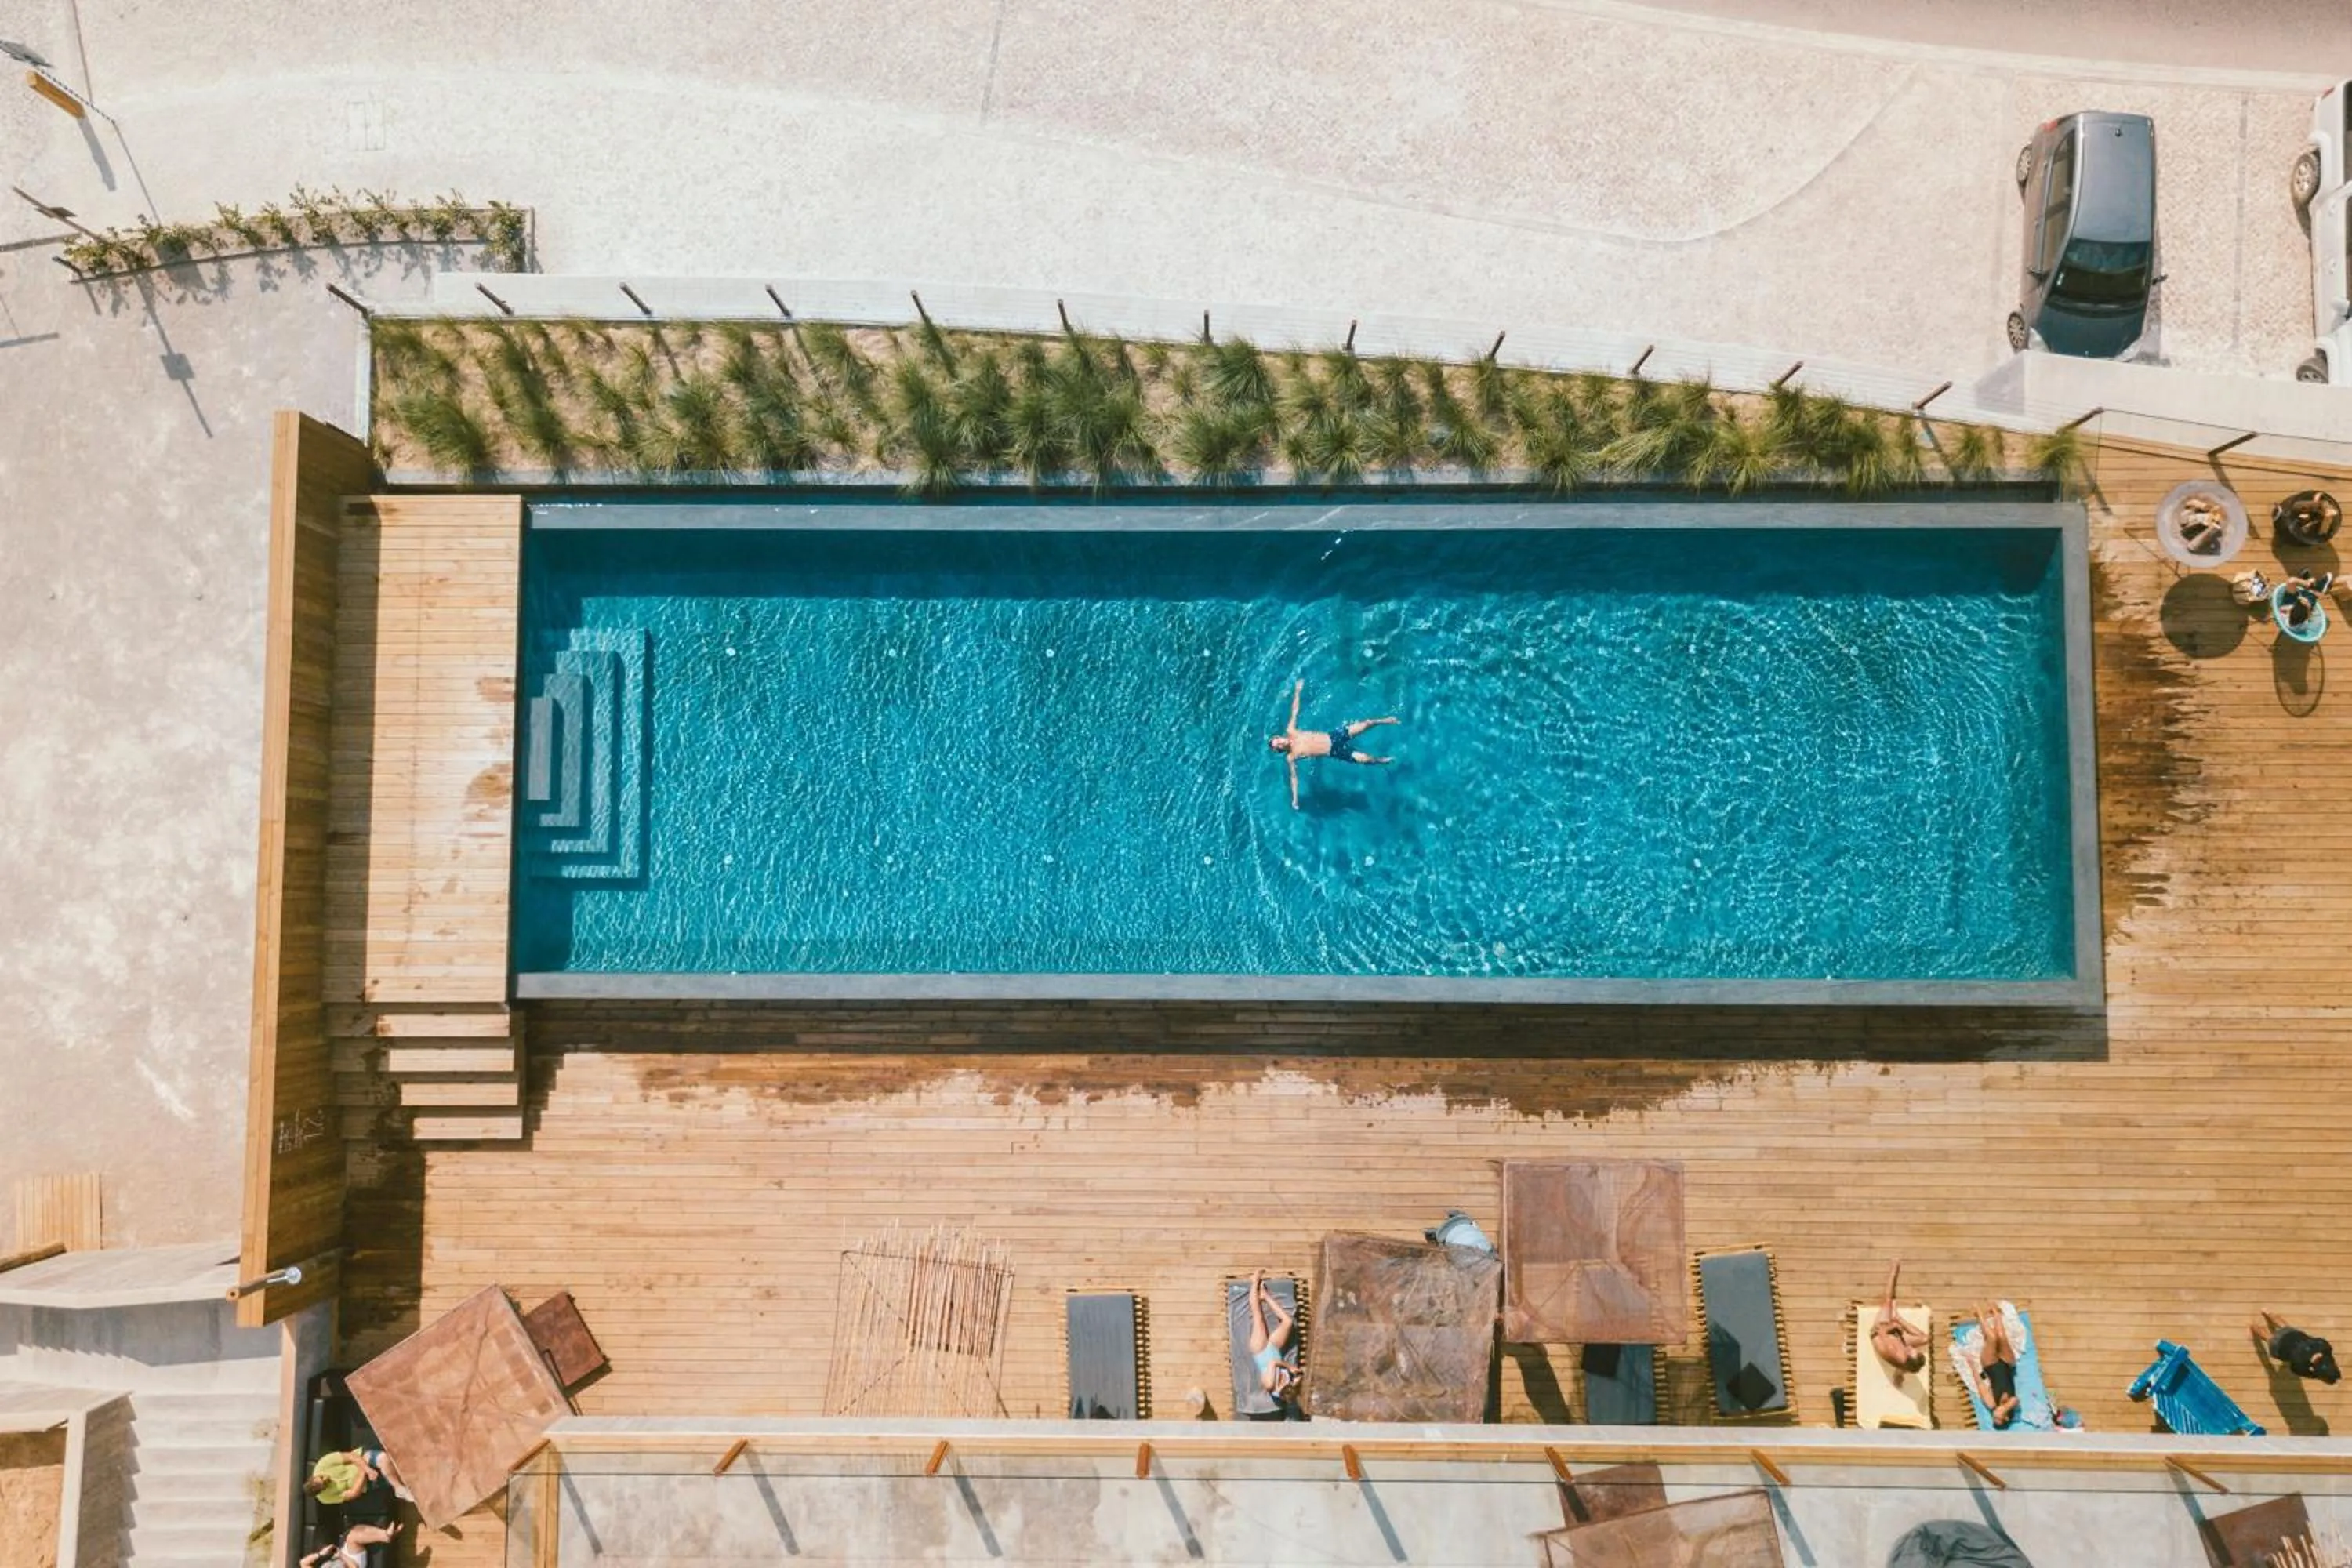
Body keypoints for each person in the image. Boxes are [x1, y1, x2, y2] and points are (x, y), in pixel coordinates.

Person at [1268, 681, 1399, 811]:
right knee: (1367, 759)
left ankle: (1385, 720)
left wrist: (1297, 691)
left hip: (1335, 736)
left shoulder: (1291, 731)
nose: (1281, 742)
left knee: (1368, 723)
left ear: (1280, 737)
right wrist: (1295, 799)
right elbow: (1294, 777)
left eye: (1278, 739)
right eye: (1278, 745)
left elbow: (1295, 711)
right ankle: (1380, 760)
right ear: (1279, 749)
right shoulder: (1291, 756)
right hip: (1335, 752)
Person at [1244, 1269, 1300, 1404]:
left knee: (1258, 1317)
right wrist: (1298, 1378)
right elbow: (1295, 1381)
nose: (1288, 1383)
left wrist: (1289, 1367)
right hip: (1274, 1349)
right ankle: (1265, 1296)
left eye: (1286, 1385)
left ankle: (1254, 1280)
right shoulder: (1290, 1388)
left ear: (1279, 1392)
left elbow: (1273, 1363)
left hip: (1261, 1350)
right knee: (1288, 1322)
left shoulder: (1269, 1385)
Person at [1965, 1301, 2023, 1428]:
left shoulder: (1991, 1404)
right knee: (2002, 1337)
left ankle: (1978, 1313)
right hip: (2008, 1364)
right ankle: (1996, 1313)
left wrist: (1973, 1367)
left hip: (1990, 1365)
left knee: (1992, 1338)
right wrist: (2004, 1409)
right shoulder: (2012, 1405)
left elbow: (1981, 1384)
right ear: (2006, 1417)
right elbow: (2015, 1400)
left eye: (1994, 1418)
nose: (1995, 1415)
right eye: (1998, 1418)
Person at [1869, 1261, 1929, 1376]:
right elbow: (1905, 1368)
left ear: (1908, 1358)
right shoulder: (1905, 1362)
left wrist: (1894, 1326)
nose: (1912, 1348)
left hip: (1879, 1332)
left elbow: (1882, 1331)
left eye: (1912, 1351)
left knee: (1887, 1301)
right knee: (1924, 1338)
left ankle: (1893, 1270)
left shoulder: (1893, 1350)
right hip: (1894, 1337)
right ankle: (1899, 1318)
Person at [2251, 1311, 2342, 1384]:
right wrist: (2315, 1375)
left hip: (2292, 1334)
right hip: (2279, 1347)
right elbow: (2295, 1370)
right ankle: (2253, 1326)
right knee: (2268, 1338)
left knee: (2284, 1326)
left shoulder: (2323, 1345)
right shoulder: (2301, 1365)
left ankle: (2267, 1312)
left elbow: (2329, 1355)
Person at [305, 1446, 412, 1505]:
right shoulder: (325, 1498)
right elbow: (353, 1493)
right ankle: (399, 1488)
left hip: (363, 1460)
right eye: (326, 1484)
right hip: (366, 1484)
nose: (326, 1479)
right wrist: (364, 1473)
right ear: (322, 1490)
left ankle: (398, 1489)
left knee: (384, 1459)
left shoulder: (323, 1463)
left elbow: (352, 1457)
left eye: (322, 1478)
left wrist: (367, 1469)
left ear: (314, 1477)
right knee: (402, 1476)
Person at [300, 1520, 401, 1568]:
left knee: (356, 1529)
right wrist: (342, 1555)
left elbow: (303, 1563)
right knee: (353, 1537)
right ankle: (385, 1536)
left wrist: (320, 1554)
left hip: (342, 1556)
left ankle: (386, 1535)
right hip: (353, 1563)